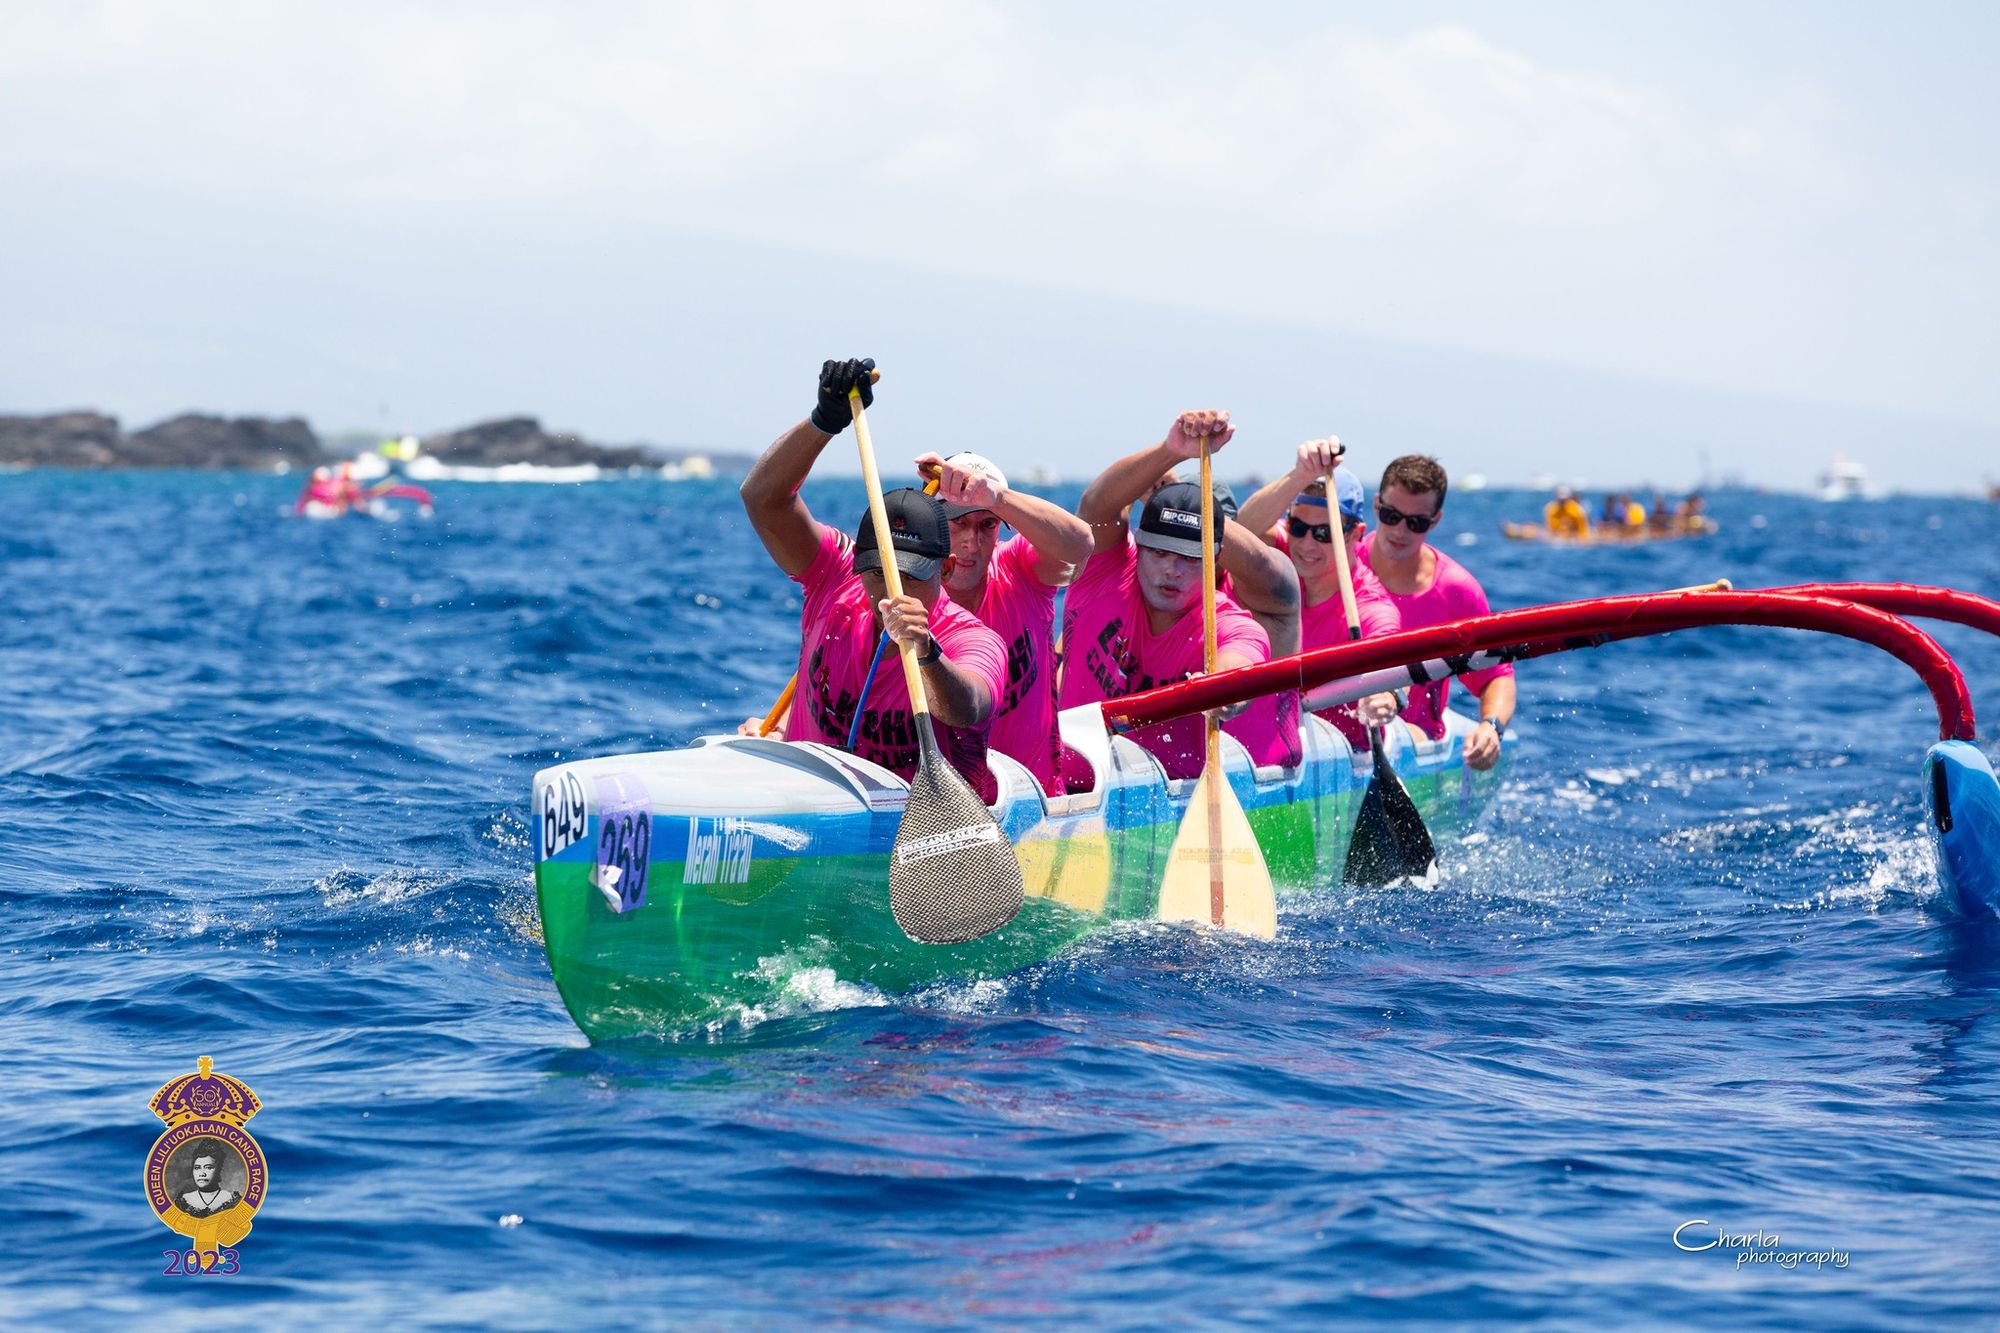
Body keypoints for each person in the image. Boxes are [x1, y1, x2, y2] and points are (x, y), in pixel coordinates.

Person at [738, 359, 1009, 800]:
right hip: (814, 803)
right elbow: (762, 499)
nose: (893, 592)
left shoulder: (973, 640)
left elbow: (968, 708)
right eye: (879, 573)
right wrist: (823, 421)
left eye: (913, 575)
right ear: (859, 565)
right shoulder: (834, 575)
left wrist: (925, 653)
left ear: (945, 569)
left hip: (922, 830)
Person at [1060, 410, 1301, 780]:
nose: (1171, 570)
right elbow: (1097, 508)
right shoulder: (1103, 575)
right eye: (1158, 553)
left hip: (1201, 803)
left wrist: (1225, 687)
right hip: (1074, 798)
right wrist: (1172, 449)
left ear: (1216, 559)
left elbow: (1241, 656)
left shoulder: (1234, 624)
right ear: (1137, 545)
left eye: (1190, 559)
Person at [916, 450, 1091, 795]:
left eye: (987, 524)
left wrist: (997, 498)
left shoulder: (1020, 568)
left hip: (1032, 802)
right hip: (937, 808)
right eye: (958, 522)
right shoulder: (905, 588)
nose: (971, 542)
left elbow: (1080, 546)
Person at [1235, 437, 1404, 751]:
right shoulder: (1283, 553)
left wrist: (1386, 695)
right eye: (1299, 528)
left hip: (1342, 750)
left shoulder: (1370, 608)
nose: (1307, 545)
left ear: (1356, 535)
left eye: (1324, 533)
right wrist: (1300, 475)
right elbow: (1240, 531)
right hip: (1273, 738)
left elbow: (1389, 665)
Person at [1359, 455, 1514, 771]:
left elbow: (1496, 675)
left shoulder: (1457, 591)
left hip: (1416, 749)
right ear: (1376, 506)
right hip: (1340, 736)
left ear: (1435, 521)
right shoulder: (1341, 565)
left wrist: (1491, 727)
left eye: (1416, 523)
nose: (1400, 531)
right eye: (1391, 515)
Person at [179, 1142, 240, 1217]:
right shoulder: (184, 1200)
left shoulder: (231, 1199)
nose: (202, 1174)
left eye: (208, 1167)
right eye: (197, 1168)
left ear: (218, 1170)